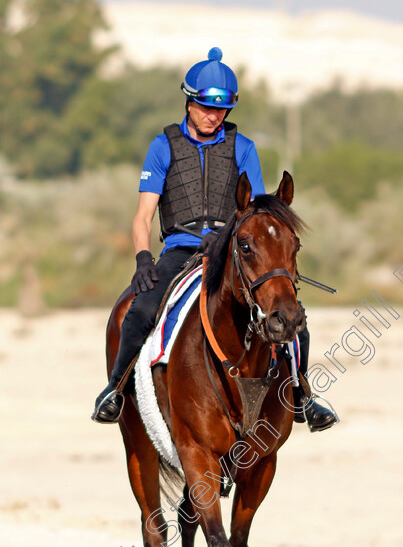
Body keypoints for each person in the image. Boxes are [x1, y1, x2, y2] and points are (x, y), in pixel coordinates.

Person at [92, 47, 338, 433]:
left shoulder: (243, 149)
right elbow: (143, 216)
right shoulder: (163, 148)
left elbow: (256, 214)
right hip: (179, 250)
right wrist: (143, 259)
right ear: (189, 102)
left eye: (221, 110)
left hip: (232, 251)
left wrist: (235, 241)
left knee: (294, 321)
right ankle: (116, 390)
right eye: (205, 107)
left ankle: (303, 396)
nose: (213, 116)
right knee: (139, 311)